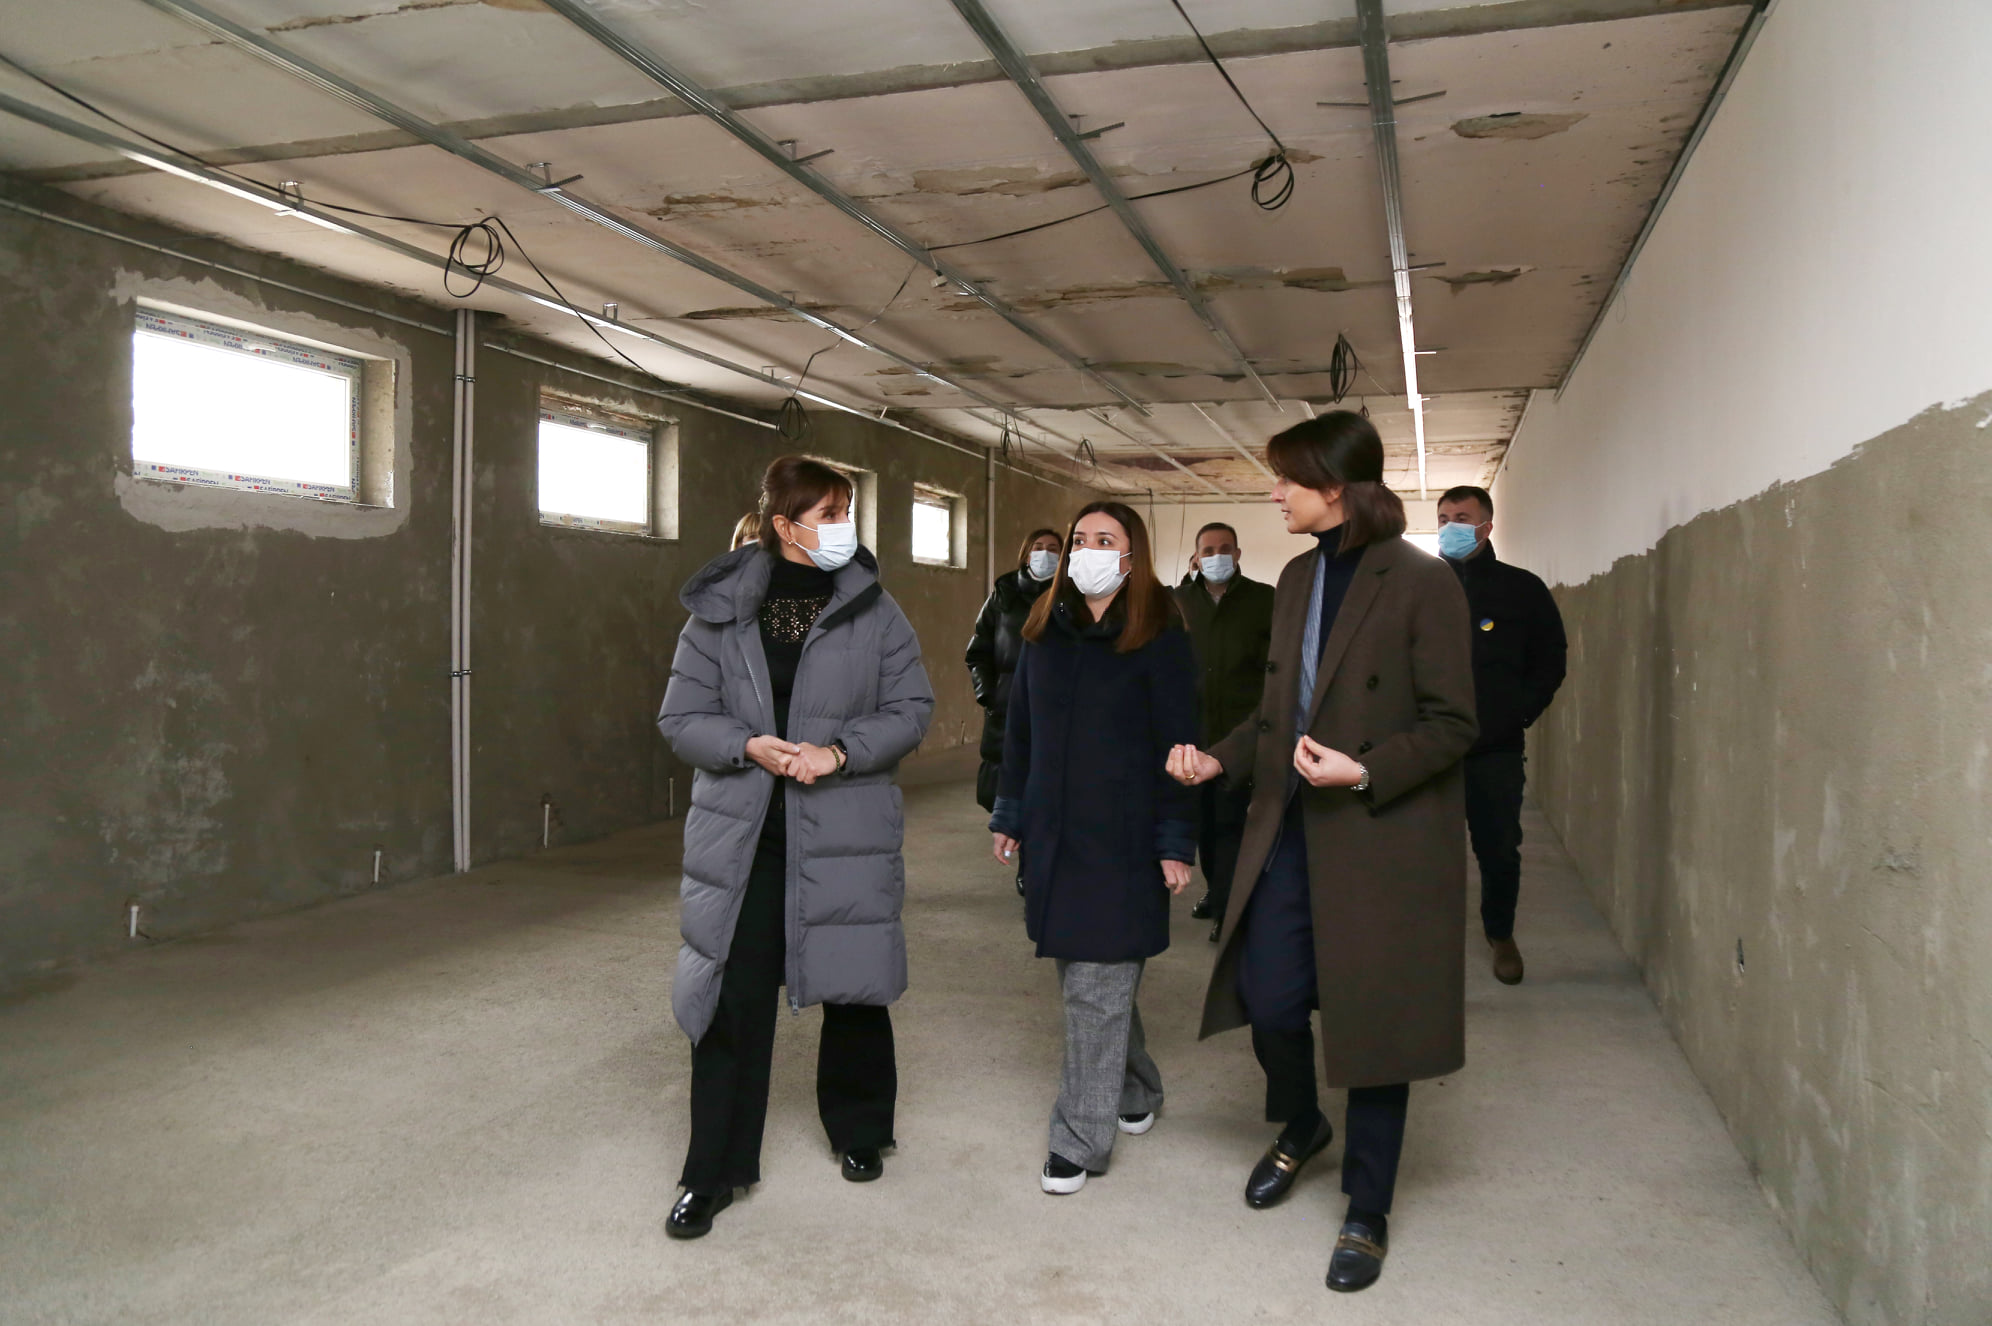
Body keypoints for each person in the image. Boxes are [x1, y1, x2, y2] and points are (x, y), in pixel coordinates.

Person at [1167, 412, 1477, 1294]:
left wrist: (1364, 769)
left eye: (1287, 480)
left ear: (1335, 488)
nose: (1275, 494)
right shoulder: (1299, 578)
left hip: (1378, 836)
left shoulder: (1423, 581)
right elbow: (1277, 714)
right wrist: (1218, 759)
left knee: (1375, 1026)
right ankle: (1302, 1122)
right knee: (1269, 996)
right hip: (1289, 829)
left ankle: (1367, 1208)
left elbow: (1455, 723)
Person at [657, 456, 934, 1239]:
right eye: (830, 513)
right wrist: (746, 744)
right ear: (784, 525)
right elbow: (681, 718)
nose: (845, 526)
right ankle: (712, 1170)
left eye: (847, 511)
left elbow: (912, 707)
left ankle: (860, 1129)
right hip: (746, 836)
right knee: (730, 999)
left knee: (854, 984)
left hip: (844, 825)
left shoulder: (874, 609)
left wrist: (839, 752)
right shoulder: (719, 612)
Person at [988, 501, 1198, 1197]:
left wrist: (1175, 840)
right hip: (1055, 835)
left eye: (1105, 540)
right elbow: (1020, 733)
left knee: (1094, 987)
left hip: (1123, 840)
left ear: (1132, 558)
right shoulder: (1042, 631)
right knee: (1088, 976)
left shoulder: (1161, 636)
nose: (1087, 550)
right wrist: (1010, 813)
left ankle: (1078, 1138)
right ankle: (1136, 1088)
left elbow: (1180, 747)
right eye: (1081, 539)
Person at [1435, 485, 1567, 985]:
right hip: (1430, 749)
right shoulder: (1420, 586)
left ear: (1486, 527)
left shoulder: (1521, 589)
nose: (1450, 526)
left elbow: (1550, 660)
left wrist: (1517, 715)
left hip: (1495, 749)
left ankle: (1500, 933)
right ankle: (1427, 936)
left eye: (1461, 517)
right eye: (1443, 517)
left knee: (1498, 847)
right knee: (1427, 848)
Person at [1172, 522, 1276, 942]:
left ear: (1238, 554)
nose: (1217, 556)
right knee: (1206, 826)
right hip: (1194, 734)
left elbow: (1276, 669)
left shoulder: (1264, 600)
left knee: (1234, 824)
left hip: (1242, 735)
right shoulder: (1178, 602)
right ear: (1196, 558)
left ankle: (1230, 908)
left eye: (1225, 548)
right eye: (1208, 550)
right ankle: (1217, 892)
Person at [966, 527, 1061, 897]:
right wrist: (988, 695)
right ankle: (1026, 858)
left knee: (1049, 790)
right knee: (1010, 787)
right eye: (1038, 547)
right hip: (1008, 708)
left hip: (1054, 709)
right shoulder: (1003, 592)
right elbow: (978, 650)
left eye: (1053, 548)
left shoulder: (1070, 595)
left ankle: (1035, 866)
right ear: (1025, 553)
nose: (1045, 554)